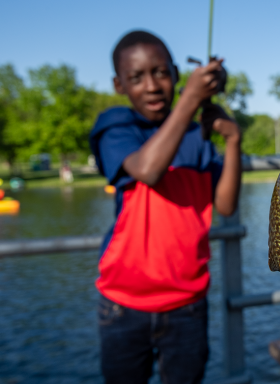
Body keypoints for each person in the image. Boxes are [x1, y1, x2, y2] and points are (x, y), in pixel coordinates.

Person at [89, 30, 242, 384]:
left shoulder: (197, 136)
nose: (153, 86)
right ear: (118, 85)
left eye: (161, 72)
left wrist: (232, 140)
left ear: (175, 73)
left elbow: (227, 204)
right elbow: (148, 169)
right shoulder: (115, 127)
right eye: (136, 77)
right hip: (122, 305)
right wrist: (191, 97)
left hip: (187, 304)